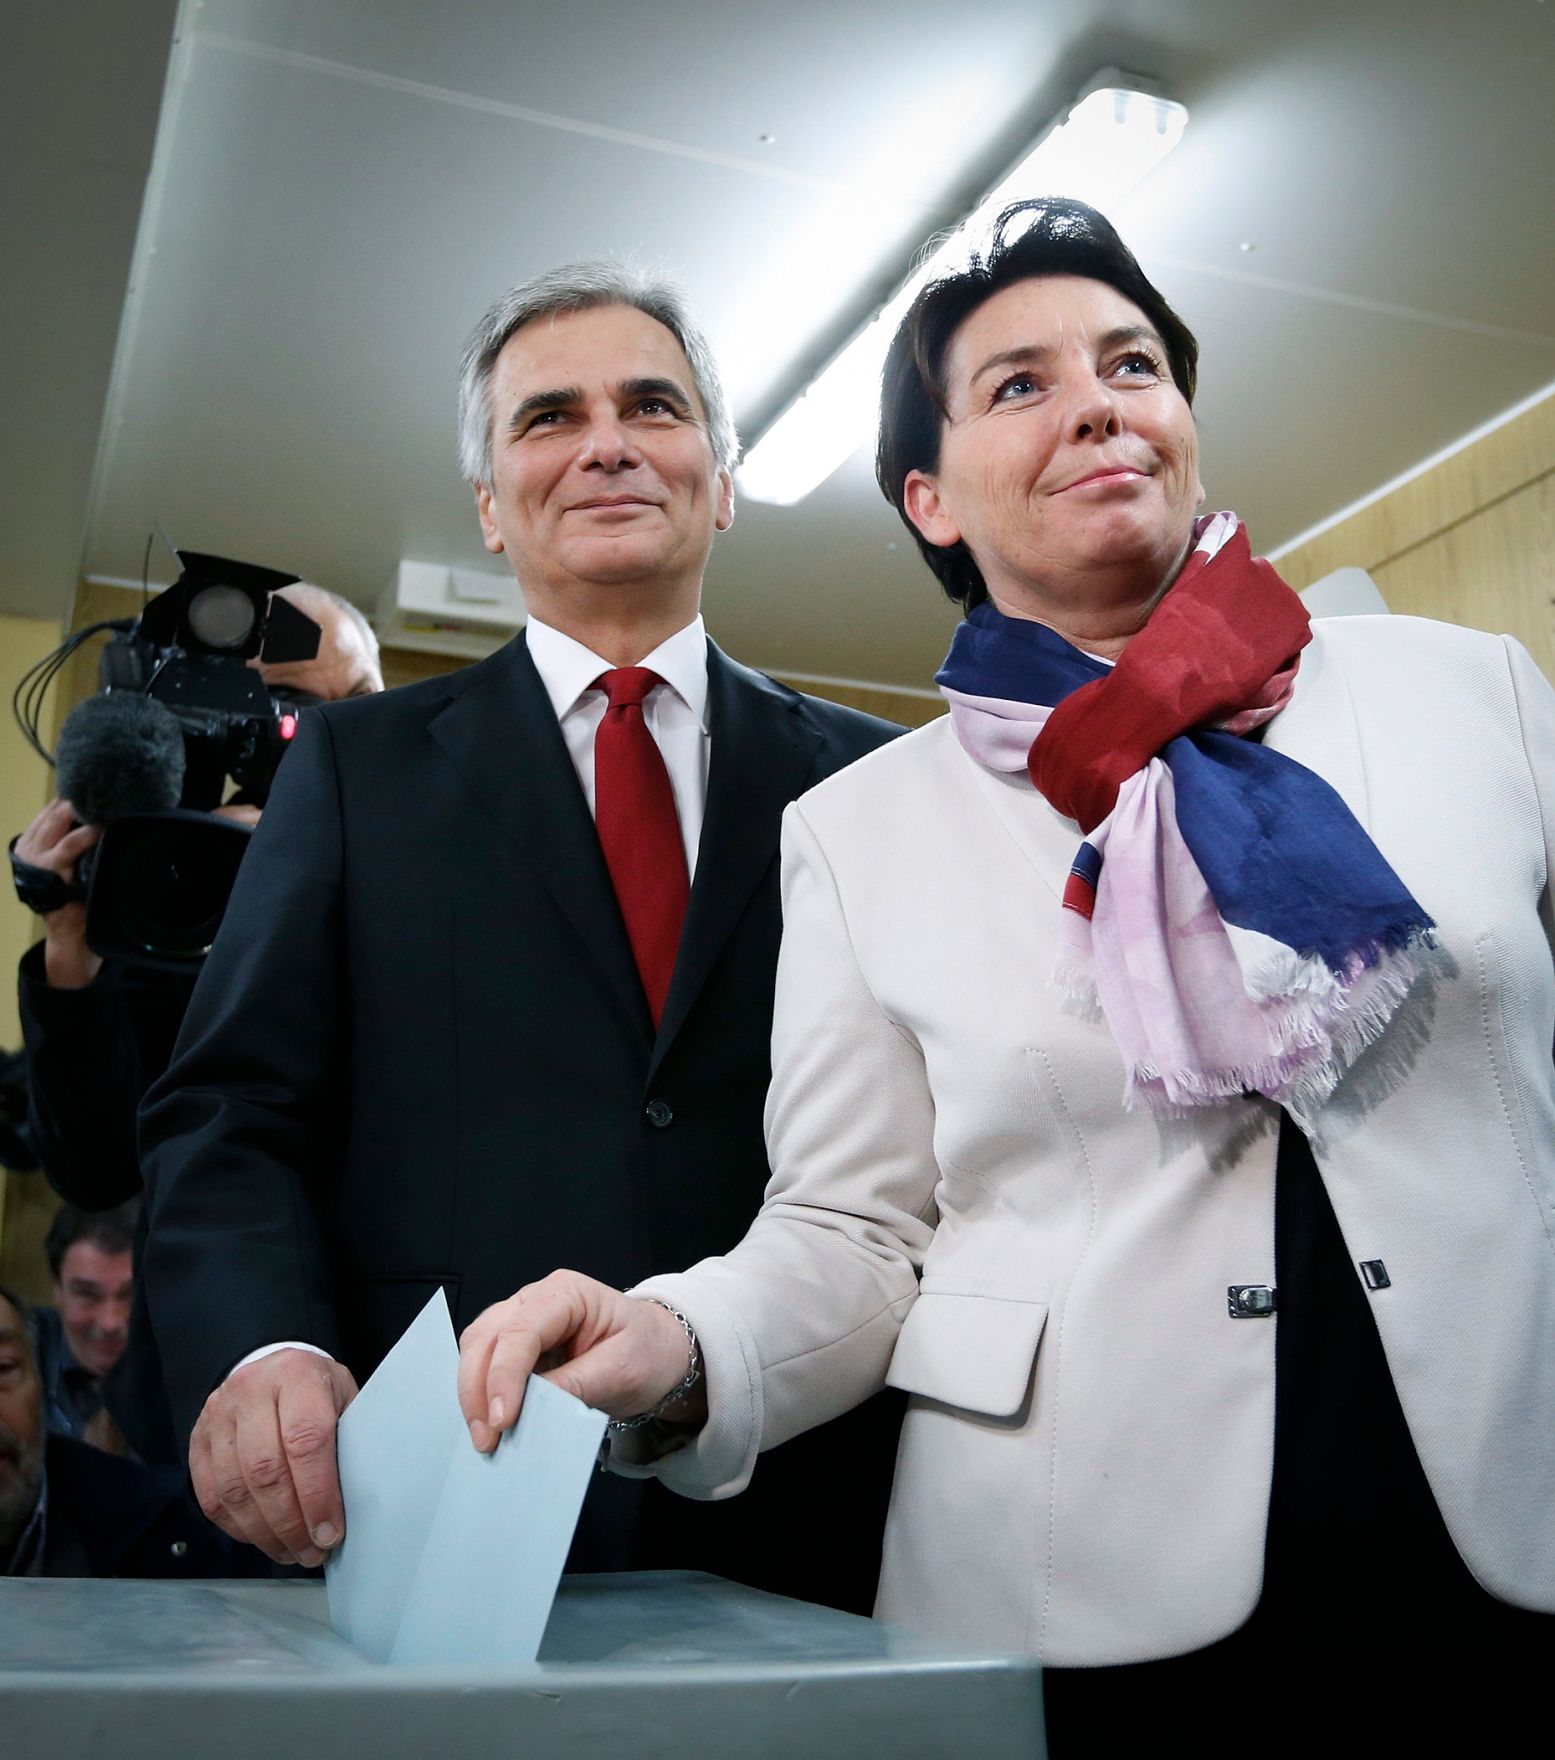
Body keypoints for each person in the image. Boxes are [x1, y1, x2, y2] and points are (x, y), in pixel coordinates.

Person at [455, 201, 1555, 1747]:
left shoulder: (1473, 696)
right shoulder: (859, 827)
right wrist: (681, 1343)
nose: (1098, 400)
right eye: (1018, 384)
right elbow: (850, 1228)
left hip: (1509, 1523)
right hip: (1075, 1586)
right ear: (928, 498)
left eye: (1129, 364)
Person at [139, 263, 902, 1604]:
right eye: (548, 417)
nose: (605, 440)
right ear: (490, 508)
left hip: (813, 1495)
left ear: (719, 480)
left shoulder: (876, 784)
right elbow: (230, 1110)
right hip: (440, 1492)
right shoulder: (354, 771)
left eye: (651, 406)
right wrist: (263, 1350)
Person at [14, 583, 384, 1462]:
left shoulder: (419, 858)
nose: (332, 737)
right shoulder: (173, 882)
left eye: (362, 702)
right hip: (188, 1407)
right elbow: (95, 1167)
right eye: (293, 706)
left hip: (390, 1381)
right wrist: (74, 939)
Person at [1, 1284, 262, 1577]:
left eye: (3, 1368)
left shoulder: (162, 1526)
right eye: (88, 1295)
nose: (111, 1322)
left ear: (40, 1380)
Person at [31, 1202, 135, 1448]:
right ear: (57, 1291)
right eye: (87, 1295)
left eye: (130, 1294)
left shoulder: (190, 1366)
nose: (111, 1322)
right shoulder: (20, 1356)